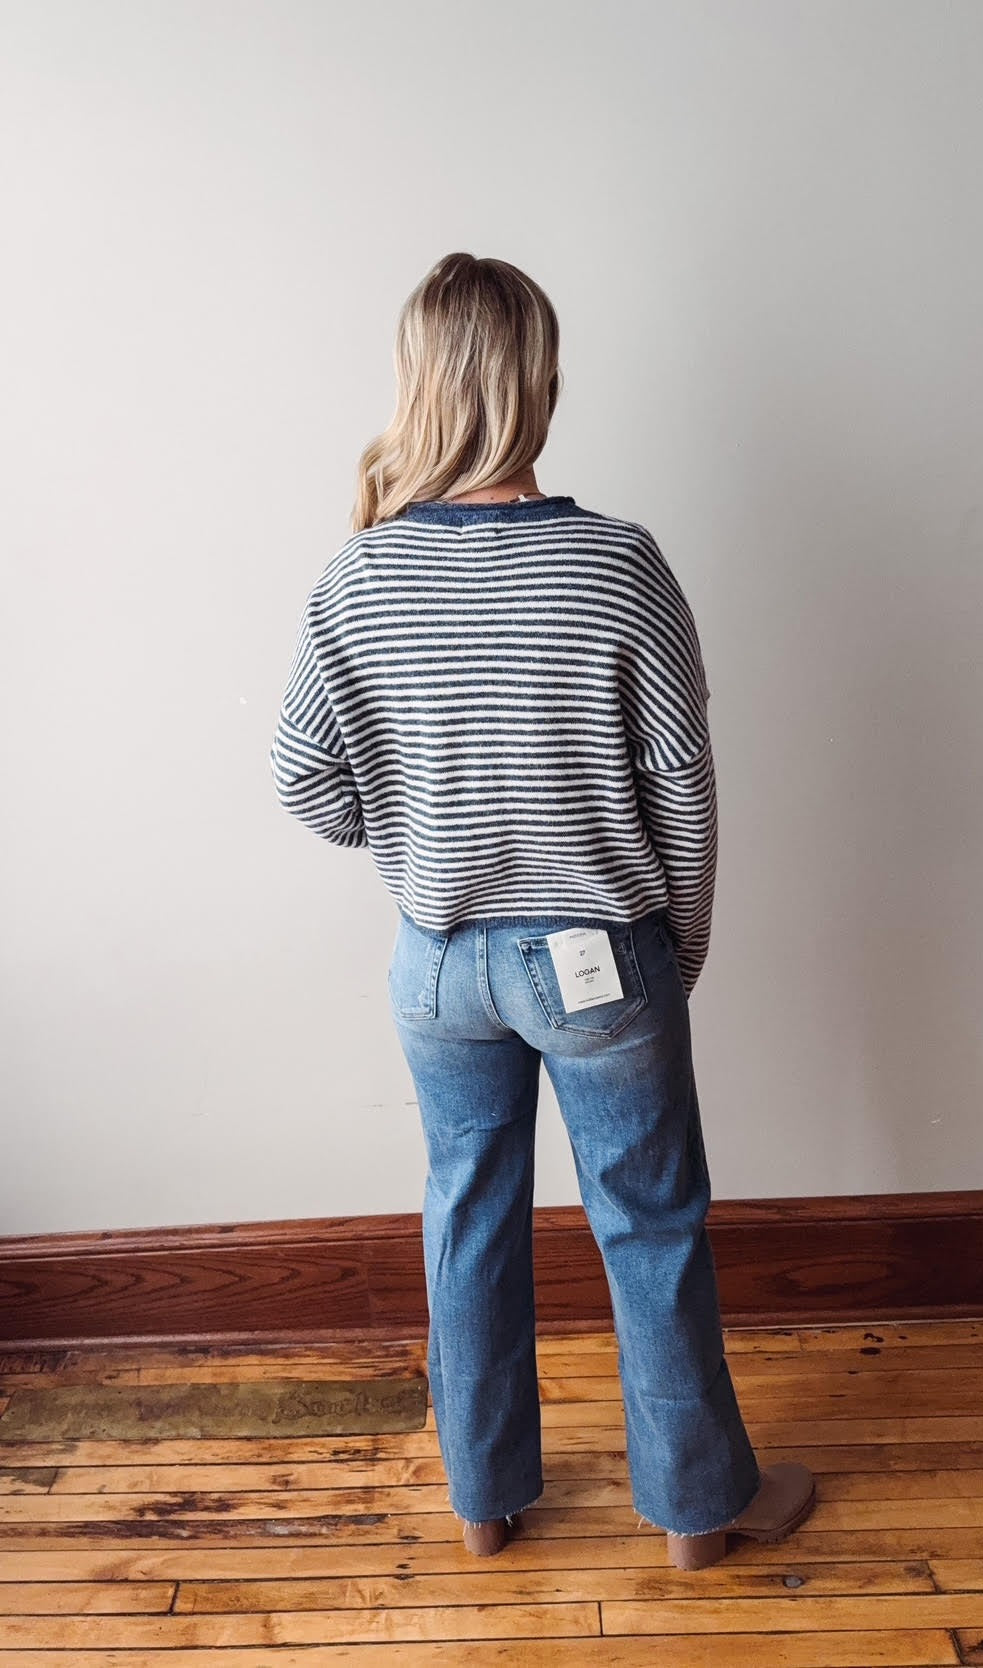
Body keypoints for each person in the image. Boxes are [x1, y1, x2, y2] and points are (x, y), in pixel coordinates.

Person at [269, 250, 815, 1570]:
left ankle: (484, 1503)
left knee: (466, 1205)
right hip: (595, 953)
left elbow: (303, 780)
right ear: (539, 383)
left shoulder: (358, 578)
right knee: (648, 1217)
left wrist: (414, 845)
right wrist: (674, 946)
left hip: (439, 963)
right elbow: (682, 789)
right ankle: (695, 1514)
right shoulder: (619, 566)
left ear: (420, 386)